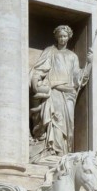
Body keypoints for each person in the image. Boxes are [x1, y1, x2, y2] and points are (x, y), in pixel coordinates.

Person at [29, 24, 92, 160]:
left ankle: (64, 152)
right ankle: (53, 150)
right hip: (54, 91)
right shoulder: (50, 51)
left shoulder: (73, 56)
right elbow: (40, 69)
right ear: (56, 37)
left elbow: (78, 77)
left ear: (68, 37)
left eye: (64, 36)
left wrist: (89, 64)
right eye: (60, 36)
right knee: (55, 121)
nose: (62, 39)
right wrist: (36, 81)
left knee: (68, 126)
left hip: (68, 93)